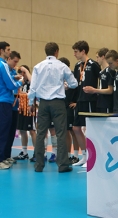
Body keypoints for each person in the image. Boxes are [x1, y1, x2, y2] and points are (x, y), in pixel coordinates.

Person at [28, 42, 78, 172]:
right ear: (57, 52)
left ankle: (39, 165)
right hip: (58, 103)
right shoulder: (62, 66)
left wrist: (30, 104)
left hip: (43, 103)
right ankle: (62, 165)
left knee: (40, 134)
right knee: (61, 133)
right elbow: (74, 83)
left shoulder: (38, 66)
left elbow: (32, 88)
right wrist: (64, 84)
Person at [72, 40, 101, 166]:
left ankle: (92, 156)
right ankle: (84, 155)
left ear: (83, 51)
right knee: (76, 128)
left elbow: (101, 80)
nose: (74, 54)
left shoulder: (93, 64)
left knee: (88, 128)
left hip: (90, 100)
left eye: (76, 51)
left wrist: (97, 93)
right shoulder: (77, 66)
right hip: (80, 99)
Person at [0, 42, 24, 170]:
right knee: (3, 131)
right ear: (2, 51)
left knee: (6, 130)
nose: (9, 51)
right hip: (4, 101)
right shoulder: (2, 65)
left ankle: (4, 156)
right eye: (8, 50)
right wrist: (20, 81)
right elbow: (10, 85)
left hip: (5, 101)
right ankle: (1, 158)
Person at [58, 57, 80, 164]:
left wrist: (77, 103)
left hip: (71, 107)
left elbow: (79, 89)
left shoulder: (72, 76)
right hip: (62, 107)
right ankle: (67, 155)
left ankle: (76, 156)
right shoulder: (59, 77)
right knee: (66, 131)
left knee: (73, 131)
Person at [13, 65, 37, 161]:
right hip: (21, 109)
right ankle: (24, 152)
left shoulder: (31, 82)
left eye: (23, 72)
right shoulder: (19, 83)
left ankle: (36, 152)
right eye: (20, 72)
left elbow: (34, 87)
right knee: (22, 130)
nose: (22, 74)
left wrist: (26, 71)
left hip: (30, 109)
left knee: (32, 130)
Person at [83, 47, 116, 113]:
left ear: (103, 57)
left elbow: (110, 90)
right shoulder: (101, 72)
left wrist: (94, 90)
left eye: (97, 57)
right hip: (100, 102)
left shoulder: (110, 71)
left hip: (107, 103)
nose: (96, 59)